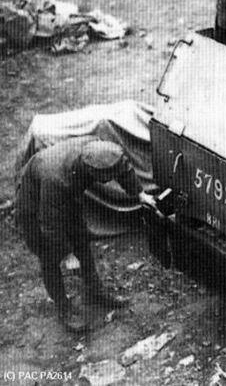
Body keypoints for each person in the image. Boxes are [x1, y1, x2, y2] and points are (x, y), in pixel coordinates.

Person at [15, 138, 154, 332]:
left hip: (67, 197)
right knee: (49, 256)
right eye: (104, 178)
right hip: (35, 206)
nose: (107, 181)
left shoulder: (101, 151)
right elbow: (50, 223)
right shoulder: (56, 178)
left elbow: (123, 169)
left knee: (81, 238)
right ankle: (64, 309)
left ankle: (95, 292)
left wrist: (140, 194)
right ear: (90, 171)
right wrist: (68, 255)